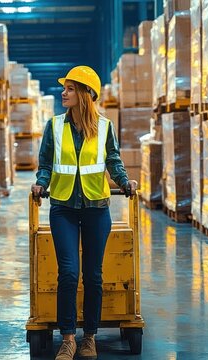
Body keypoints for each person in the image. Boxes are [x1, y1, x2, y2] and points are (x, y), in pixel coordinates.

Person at [31, 66, 138, 360]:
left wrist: (124, 181)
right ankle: (68, 339)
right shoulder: (54, 126)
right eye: (64, 88)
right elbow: (45, 164)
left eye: (69, 88)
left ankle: (89, 337)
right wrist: (41, 184)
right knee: (68, 273)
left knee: (93, 276)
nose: (63, 93)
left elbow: (113, 159)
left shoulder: (104, 127)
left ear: (85, 94)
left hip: (96, 209)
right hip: (63, 208)